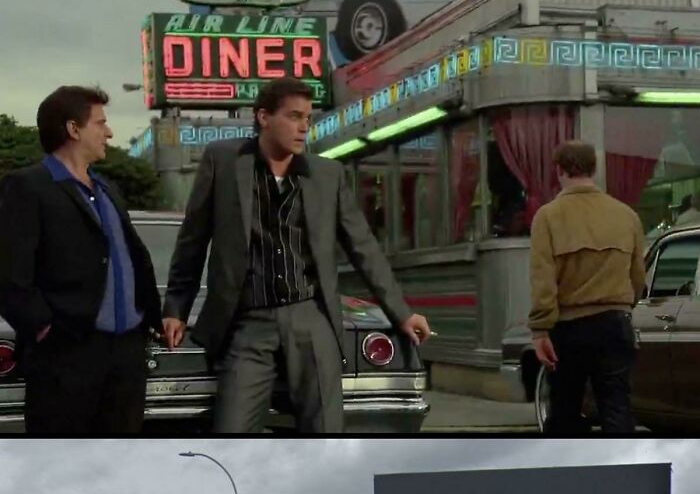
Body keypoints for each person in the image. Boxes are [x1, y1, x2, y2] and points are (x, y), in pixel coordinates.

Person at [162, 77, 430, 434]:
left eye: (308, 118)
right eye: (294, 116)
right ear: (263, 117)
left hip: (310, 317)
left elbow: (363, 247)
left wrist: (401, 312)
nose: (304, 126)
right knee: (232, 432)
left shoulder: (326, 174)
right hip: (246, 322)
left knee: (324, 433)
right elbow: (193, 239)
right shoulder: (224, 161)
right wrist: (176, 308)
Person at [0, 86, 162, 434]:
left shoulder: (108, 189)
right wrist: (46, 330)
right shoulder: (27, 187)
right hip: (66, 357)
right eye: (101, 123)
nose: (109, 132)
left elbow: (131, 258)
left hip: (126, 358)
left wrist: (151, 318)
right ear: (73, 129)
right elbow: (10, 276)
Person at [528, 140, 646, 435]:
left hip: (569, 329)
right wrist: (622, 306)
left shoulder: (548, 217)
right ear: (594, 169)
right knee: (617, 408)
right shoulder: (626, 216)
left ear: (559, 170)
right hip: (615, 324)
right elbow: (637, 278)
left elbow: (543, 280)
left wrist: (541, 330)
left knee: (565, 409)